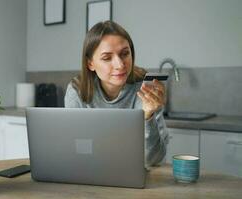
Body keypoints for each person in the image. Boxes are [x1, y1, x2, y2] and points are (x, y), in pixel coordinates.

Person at [64, 21, 169, 167]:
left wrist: (148, 116)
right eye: (107, 58)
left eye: (125, 54)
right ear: (90, 64)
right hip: (92, 171)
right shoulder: (78, 90)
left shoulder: (145, 88)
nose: (120, 65)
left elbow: (153, 159)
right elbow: (75, 150)